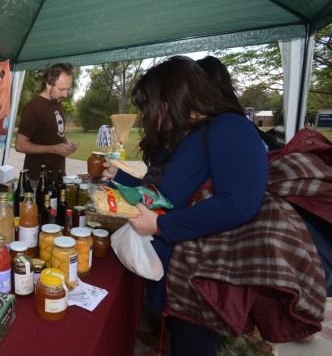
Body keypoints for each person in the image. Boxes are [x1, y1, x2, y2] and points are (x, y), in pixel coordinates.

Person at [102, 56, 268, 356]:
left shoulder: (230, 128)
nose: (148, 115)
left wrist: (159, 225)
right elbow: (164, 196)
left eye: (151, 105)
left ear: (172, 96)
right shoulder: (191, 136)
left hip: (201, 281)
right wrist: (120, 177)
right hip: (177, 278)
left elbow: (237, 205)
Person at [16, 62, 78, 186]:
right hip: (38, 180)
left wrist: (66, 140)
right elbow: (20, 145)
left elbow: (52, 132)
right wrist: (53, 149)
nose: (65, 94)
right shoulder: (33, 108)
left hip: (57, 176)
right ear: (49, 84)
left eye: (68, 89)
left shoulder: (56, 102)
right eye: (61, 89)